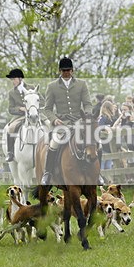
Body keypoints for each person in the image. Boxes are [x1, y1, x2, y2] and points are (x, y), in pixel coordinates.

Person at [40, 57, 92, 185]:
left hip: (79, 121)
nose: (66, 73)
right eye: (64, 71)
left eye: (68, 70)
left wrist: (87, 115)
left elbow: (87, 104)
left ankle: (97, 173)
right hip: (62, 123)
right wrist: (54, 119)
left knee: (95, 143)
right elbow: (47, 109)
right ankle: (47, 173)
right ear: (59, 71)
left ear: (72, 70)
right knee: (54, 143)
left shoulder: (82, 84)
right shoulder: (52, 86)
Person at [4, 68, 38, 162]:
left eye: (14, 79)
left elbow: (41, 101)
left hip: (34, 114)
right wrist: (20, 109)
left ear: (20, 79)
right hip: (20, 116)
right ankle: (10, 152)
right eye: (12, 80)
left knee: (47, 124)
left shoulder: (31, 87)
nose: (13, 81)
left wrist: (33, 108)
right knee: (10, 128)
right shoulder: (11, 93)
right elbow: (10, 109)